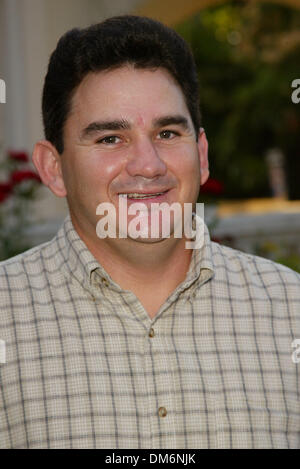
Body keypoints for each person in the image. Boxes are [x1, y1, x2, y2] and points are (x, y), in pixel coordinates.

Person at [0, 15, 299, 450]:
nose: (148, 164)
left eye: (167, 132)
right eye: (109, 139)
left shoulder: (290, 310)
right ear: (53, 168)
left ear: (201, 154)